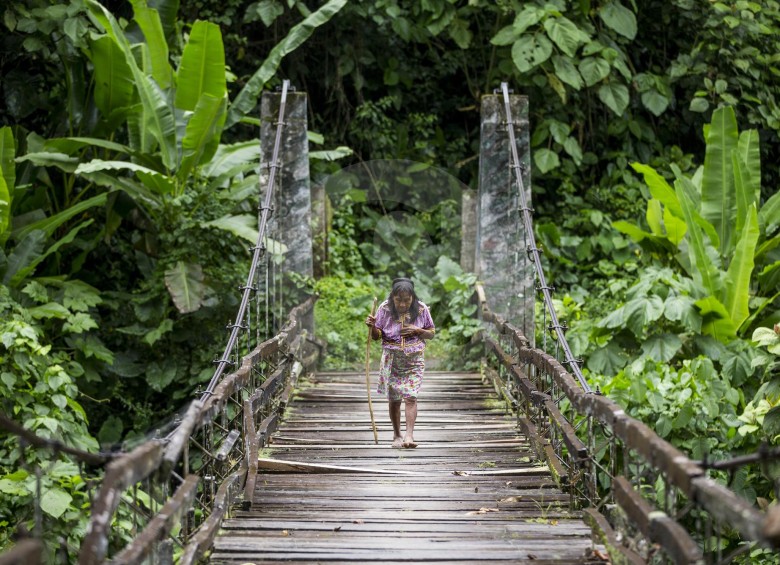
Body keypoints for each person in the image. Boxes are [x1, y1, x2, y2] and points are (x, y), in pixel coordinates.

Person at [365, 278, 435, 448]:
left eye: (406, 300)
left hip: (414, 359)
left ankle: (409, 436)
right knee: (395, 399)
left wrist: (418, 330)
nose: (403, 304)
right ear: (392, 298)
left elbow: (431, 333)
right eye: (398, 300)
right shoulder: (384, 308)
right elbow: (376, 336)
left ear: (412, 297)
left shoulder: (421, 309)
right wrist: (372, 327)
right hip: (392, 359)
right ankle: (397, 435)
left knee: (411, 396)